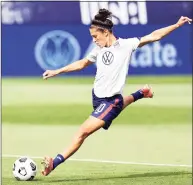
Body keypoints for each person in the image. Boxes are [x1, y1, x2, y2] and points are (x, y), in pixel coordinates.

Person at [41, 9, 192, 176]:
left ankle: (53, 164)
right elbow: (82, 63)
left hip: (110, 101)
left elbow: (154, 36)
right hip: (98, 99)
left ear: (105, 32)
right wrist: (57, 71)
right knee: (118, 103)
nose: (94, 40)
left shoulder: (126, 45)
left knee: (82, 132)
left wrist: (177, 25)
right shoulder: (98, 49)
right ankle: (142, 92)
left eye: (95, 36)